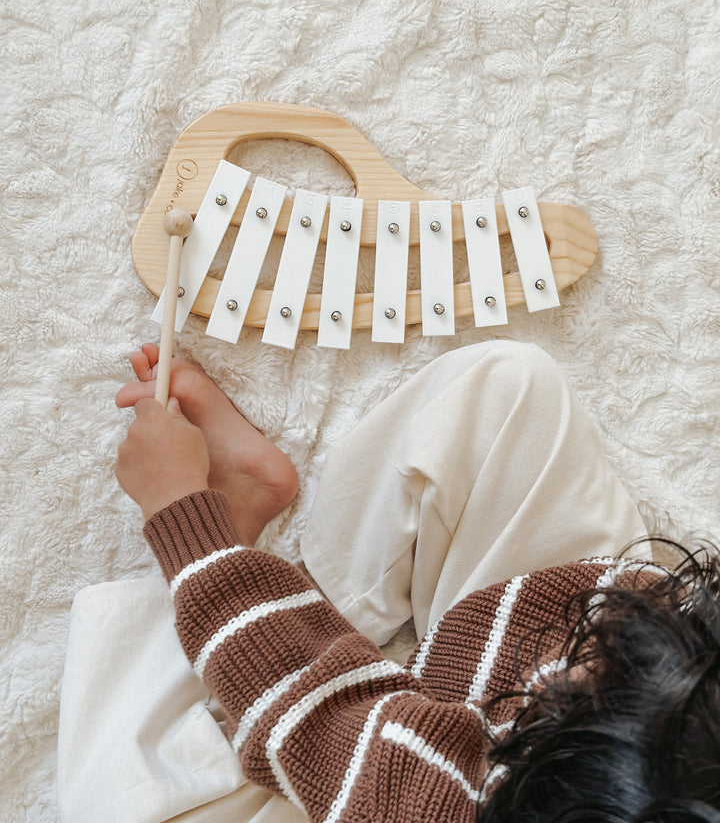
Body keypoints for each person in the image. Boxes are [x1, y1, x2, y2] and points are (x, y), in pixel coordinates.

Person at [57, 341, 720, 823]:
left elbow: (330, 729)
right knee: (504, 393)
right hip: (540, 665)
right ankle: (280, 616)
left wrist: (189, 526)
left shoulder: (438, 803)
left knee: (114, 803)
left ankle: (249, 589)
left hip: (451, 777)